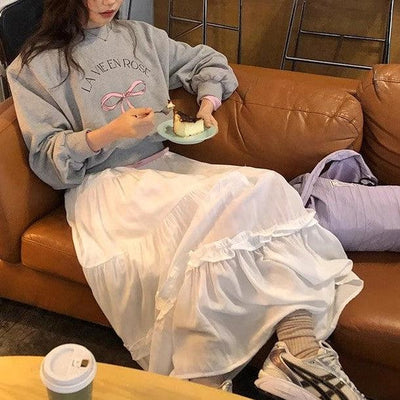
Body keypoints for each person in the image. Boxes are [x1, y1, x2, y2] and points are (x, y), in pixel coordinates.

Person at [7, 0, 365, 398]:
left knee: (269, 187)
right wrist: (110, 133)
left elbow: (209, 63)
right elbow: (47, 158)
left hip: (165, 168)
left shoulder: (140, 37)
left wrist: (208, 104)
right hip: (107, 186)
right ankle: (208, 381)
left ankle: (299, 351)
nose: (110, 2)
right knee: (228, 208)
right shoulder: (33, 67)